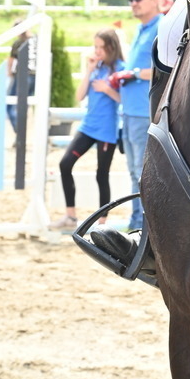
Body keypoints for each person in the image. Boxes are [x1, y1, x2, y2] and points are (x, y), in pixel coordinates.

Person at [50, 28, 125, 232]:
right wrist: (89, 71)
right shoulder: (96, 67)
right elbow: (79, 96)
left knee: (101, 175)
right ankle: (71, 216)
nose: (97, 51)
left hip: (106, 131)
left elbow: (124, 100)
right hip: (88, 128)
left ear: (111, 47)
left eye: (101, 47)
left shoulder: (120, 69)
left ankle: (102, 223)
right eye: (95, 47)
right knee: (65, 164)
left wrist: (107, 89)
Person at [108, 0, 162, 232]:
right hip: (130, 111)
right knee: (133, 171)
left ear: (154, 0)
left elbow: (167, 69)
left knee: (141, 173)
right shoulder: (142, 30)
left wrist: (135, 74)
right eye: (131, 0)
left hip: (143, 111)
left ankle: (141, 226)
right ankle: (137, 223)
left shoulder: (161, 27)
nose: (134, 4)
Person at [6, 23, 37, 133]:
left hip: (23, 77)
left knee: (10, 106)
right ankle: (21, 132)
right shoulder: (37, 40)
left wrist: (9, 73)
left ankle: (19, 132)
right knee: (25, 106)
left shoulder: (19, 43)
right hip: (35, 77)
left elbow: (11, 60)